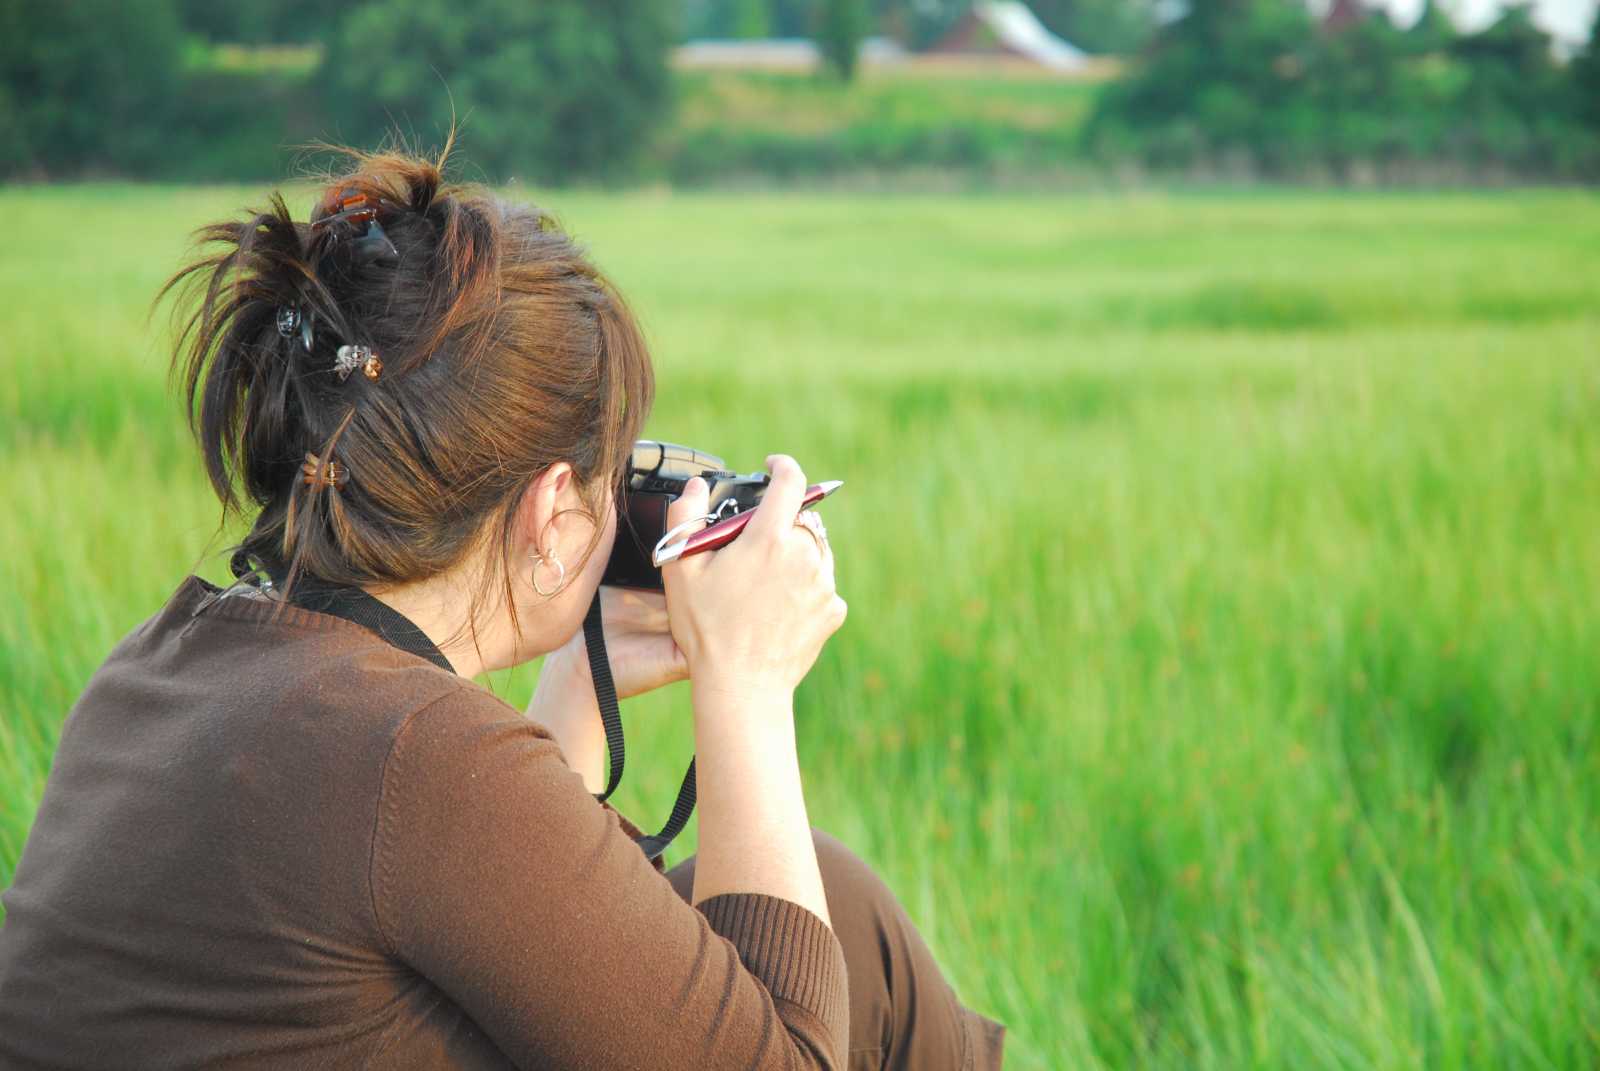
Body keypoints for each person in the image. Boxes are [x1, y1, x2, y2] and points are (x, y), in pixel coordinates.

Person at [0, 137, 1005, 1070]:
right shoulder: (416, 754)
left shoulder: (160, 665)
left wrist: (576, 685)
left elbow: (462, 916)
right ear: (553, 509)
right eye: (612, 474)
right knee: (839, 932)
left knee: (841, 916)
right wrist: (746, 683)